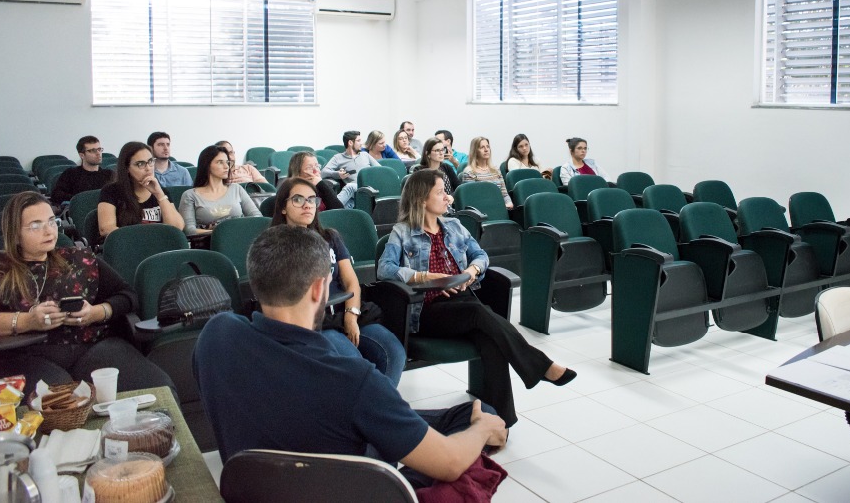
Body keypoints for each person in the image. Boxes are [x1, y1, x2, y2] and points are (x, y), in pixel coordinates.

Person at [194, 225, 509, 492]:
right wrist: (482, 430)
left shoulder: (216, 336)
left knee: (461, 415)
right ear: (321, 288)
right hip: (346, 490)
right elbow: (450, 464)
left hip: (259, 488)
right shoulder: (354, 378)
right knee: (479, 421)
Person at [378, 170, 575, 427]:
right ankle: (539, 365)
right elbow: (385, 269)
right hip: (426, 311)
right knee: (479, 313)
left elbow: (481, 255)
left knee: (489, 338)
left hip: (463, 302)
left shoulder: (454, 226)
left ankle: (500, 424)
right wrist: (424, 277)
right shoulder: (402, 232)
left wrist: (472, 271)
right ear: (421, 199)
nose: (448, 198)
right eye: (440, 192)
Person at [0, 191, 176, 398]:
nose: (48, 231)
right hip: (24, 354)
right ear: (14, 233)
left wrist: (95, 312)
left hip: (93, 347)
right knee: (59, 401)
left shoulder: (79, 259)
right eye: (36, 225)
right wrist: (28, 321)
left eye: (51, 221)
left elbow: (128, 296)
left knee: (158, 388)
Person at [270, 177, 406, 386]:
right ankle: (364, 413)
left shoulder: (330, 237)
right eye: (297, 199)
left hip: (346, 311)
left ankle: (377, 412)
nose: (307, 205)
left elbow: (351, 281)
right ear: (283, 208)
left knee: (394, 353)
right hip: (315, 322)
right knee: (355, 364)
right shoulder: (275, 245)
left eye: (312, 199)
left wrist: (351, 316)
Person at [97, 142, 185, 237]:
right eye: (140, 164)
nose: (148, 168)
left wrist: (159, 194)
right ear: (126, 168)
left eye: (150, 161)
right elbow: (106, 228)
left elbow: (177, 227)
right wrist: (142, 238)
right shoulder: (111, 191)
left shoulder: (161, 192)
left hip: (158, 244)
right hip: (128, 245)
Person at [179, 145, 261, 236]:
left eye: (227, 162)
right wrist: (220, 233)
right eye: (220, 162)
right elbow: (189, 230)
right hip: (208, 243)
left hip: (239, 237)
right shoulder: (190, 195)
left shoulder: (236, 188)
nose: (226, 167)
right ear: (207, 165)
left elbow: (257, 217)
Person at [50, 136, 115, 205]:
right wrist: (81, 199)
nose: (98, 153)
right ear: (82, 155)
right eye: (93, 151)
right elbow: (56, 195)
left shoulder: (109, 174)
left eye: (99, 149)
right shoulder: (71, 174)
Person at [460, 137, 512, 209]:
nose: (486, 150)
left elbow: (505, 195)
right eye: (482, 147)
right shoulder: (469, 172)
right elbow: (472, 200)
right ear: (475, 151)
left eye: (488, 147)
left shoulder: (496, 170)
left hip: (500, 210)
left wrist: (509, 203)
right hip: (482, 212)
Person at [411, 137, 461, 203]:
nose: (441, 153)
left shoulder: (447, 167)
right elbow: (418, 194)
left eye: (442, 150)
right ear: (428, 154)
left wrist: (451, 196)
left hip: (448, 205)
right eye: (437, 150)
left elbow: (459, 188)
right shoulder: (419, 170)